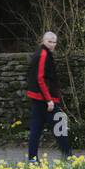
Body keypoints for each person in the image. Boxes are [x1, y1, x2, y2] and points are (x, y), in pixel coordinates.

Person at [25, 31, 71, 161]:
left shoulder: (41, 53)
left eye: (54, 42)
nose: (52, 44)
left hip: (40, 99)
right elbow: (40, 79)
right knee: (60, 126)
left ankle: (32, 159)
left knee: (36, 129)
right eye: (49, 41)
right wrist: (49, 100)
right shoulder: (43, 54)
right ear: (43, 41)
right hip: (44, 100)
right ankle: (68, 157)